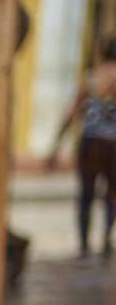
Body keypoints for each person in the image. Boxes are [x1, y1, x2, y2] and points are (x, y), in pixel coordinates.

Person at [50, 38, 116, 259]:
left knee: (86, 194)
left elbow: (73, 112)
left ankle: (84, 244)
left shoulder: (90, 78)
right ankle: (107, 238)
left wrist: (56, 144)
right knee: (112, 194)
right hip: (113, 145)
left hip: (90, 143)